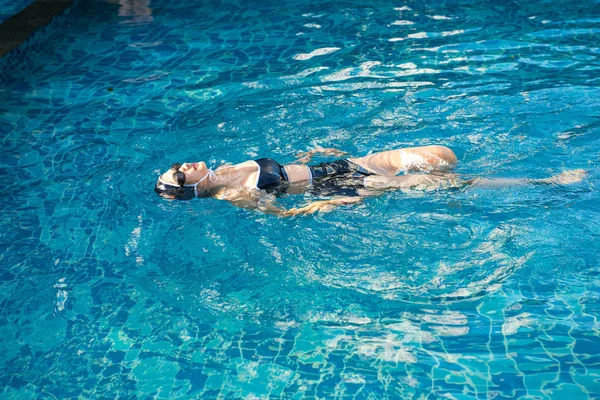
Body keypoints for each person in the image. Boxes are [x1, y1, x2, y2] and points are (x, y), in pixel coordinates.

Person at [154, 145, 585, 216]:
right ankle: (548, 182)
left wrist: (307, 156)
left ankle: (444, 192)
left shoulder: (223, 167)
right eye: (178, 173)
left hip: (346, 163)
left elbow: (278, 167)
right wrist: (323, 205)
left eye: (176, 165)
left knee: (443, 157)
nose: (183, 165)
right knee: (455, 182)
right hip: (342, 187)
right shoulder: (231, 195)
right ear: (188, 188)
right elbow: (280, 216)